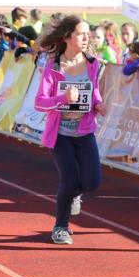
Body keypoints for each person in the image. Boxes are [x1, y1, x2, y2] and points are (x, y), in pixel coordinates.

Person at [34, 15, 106, 245]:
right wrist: (62, 98)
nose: (87, 38)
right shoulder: (53, 66)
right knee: (69, 179)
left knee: (92, 182)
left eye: (88, 34)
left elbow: (93, 90)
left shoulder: (93, 63)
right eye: (81, 34)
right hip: (60, 135)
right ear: (67, 37)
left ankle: (75, 194)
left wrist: (98, 103)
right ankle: (60, 227)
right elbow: (40, 102)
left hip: (85, 131)